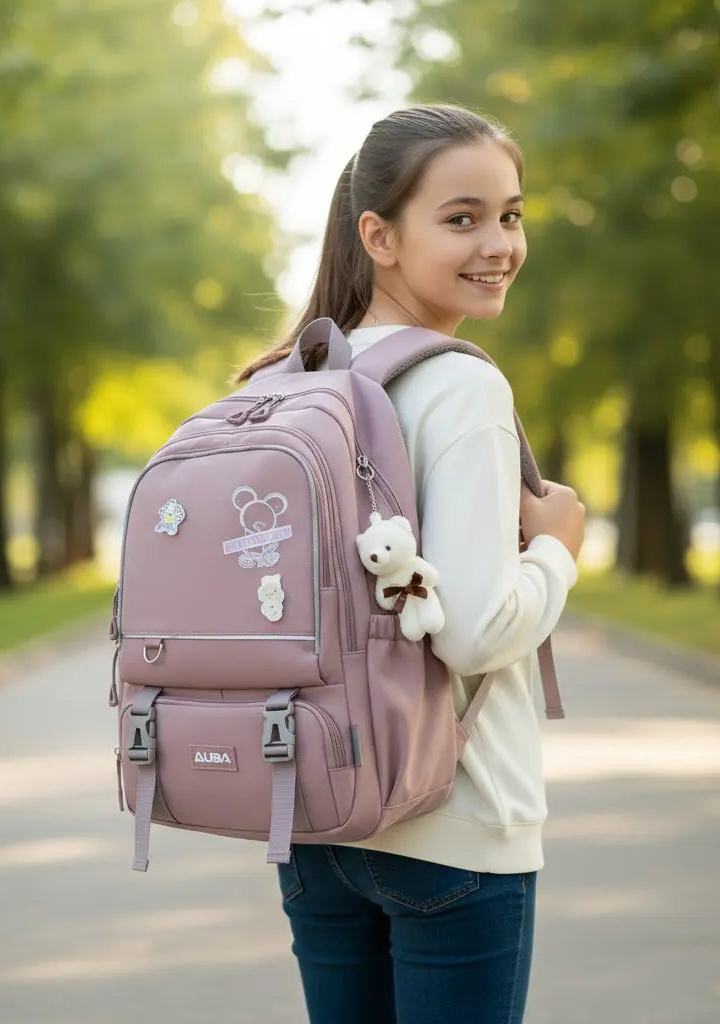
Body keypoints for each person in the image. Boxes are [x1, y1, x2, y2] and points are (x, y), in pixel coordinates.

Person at [236, 104, 586, 1024]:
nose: (498, 244)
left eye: (511, 215)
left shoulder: (287, 379)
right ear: (379, 236)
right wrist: (558, 549)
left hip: (316, 809)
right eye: (462, 218)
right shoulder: (459, 383)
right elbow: (472, 633)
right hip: (454, 819)